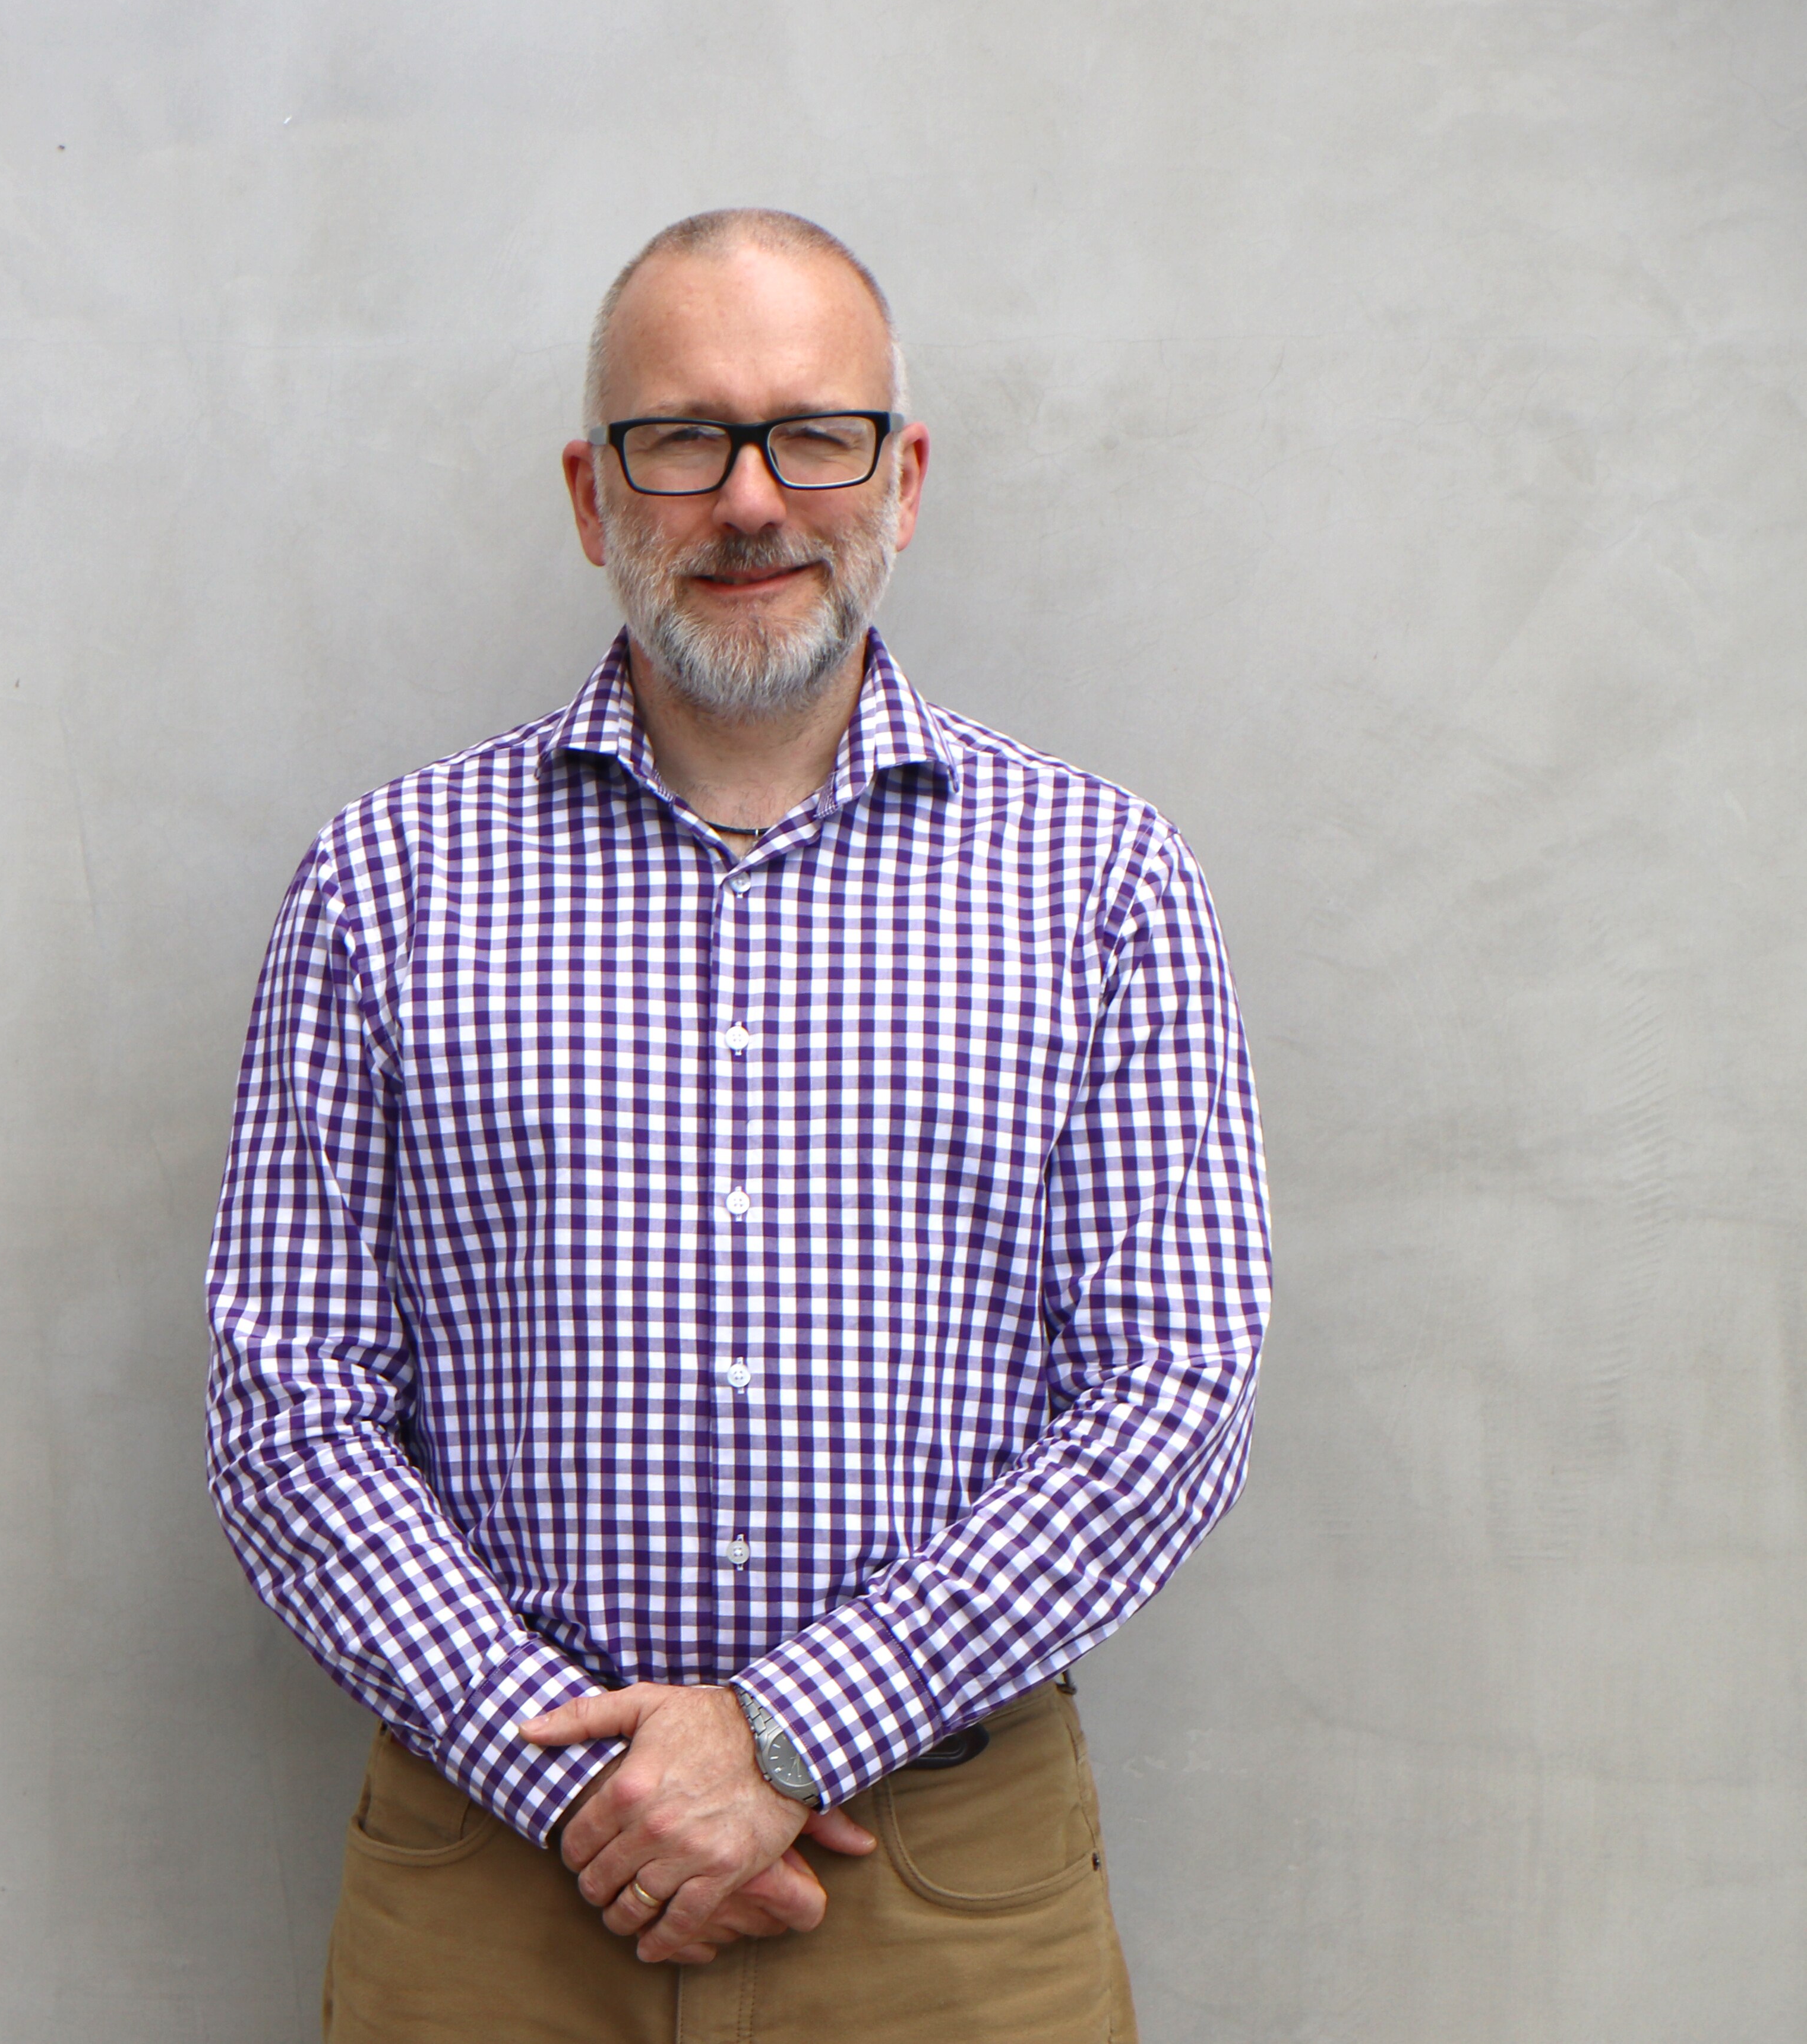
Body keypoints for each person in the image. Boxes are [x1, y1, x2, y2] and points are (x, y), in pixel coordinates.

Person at [206, 208, 1272, 2042]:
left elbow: (1172, 1387)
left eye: (815, 433)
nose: (755, 501)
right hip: (491, 1885)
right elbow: (285, 1405)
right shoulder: (382, 887)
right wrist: (590, 1792)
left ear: (905, 474)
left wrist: (788, 1731)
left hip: (946, 1892)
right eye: (683, 438)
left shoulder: (1102, 887)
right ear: (589, 488)